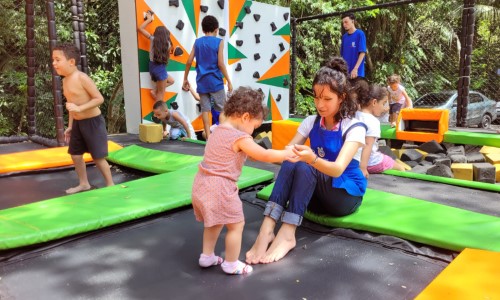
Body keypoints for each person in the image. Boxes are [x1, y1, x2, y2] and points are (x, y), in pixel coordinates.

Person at [246, 57, 367, 264]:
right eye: (317, 98)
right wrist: (247, 147)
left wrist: (312, 158)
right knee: (293, 159)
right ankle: (266, 229)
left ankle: (287, 233)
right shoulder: (311, 122)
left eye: (327, 99)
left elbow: (338, 170)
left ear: (341, 97)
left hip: (343, 196)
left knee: (304, 163)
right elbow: (286, 154)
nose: (320, 104)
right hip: (315, 198)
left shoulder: (353, 127)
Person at [191, 87, 295, 275]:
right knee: (236, 225)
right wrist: (287, 153)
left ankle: (207, 256)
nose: (253, 131)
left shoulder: (218, 129)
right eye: (255, 127)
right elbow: (264, 154)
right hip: (220, 187)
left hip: (202, 182)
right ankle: (231, 263)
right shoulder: (240, 137)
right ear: (245, 117)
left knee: (214, 222)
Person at [52, 43, 114, 194]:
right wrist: (71, 125)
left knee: (98, 157)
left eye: (57, 59)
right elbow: (72, 106)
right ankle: (84, 183)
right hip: (78, 123)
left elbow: (99, 99)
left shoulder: (82, 78)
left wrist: (80, 108)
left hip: (93, 122)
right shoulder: (65, 80)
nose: (54, 63)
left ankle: (111, 184)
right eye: (53, 60)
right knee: (75, 155)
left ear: (71, 62)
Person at [183, 15, 232, 140]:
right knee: (222, 109)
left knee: (205, 109)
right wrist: (229, 81)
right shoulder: (219, 42)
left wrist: (185, 78)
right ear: (216, 29)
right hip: (215, 82)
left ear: (203, 29)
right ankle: (224, 135)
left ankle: (209, 137)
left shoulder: (197, 42)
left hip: (202, 82)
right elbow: (220, 63)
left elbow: (189, 61)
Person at [355, 83, 406, 177]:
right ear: (374, 102)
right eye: (383, 103)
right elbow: (367, 145)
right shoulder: (372, 121)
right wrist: (362, 168)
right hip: (371, 162)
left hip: (353, 160)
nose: (384, 108)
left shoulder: (354, 115)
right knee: (400, 168)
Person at [138, 10, 174, 102]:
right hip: (160, 68)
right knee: (161, 96)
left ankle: (155, 90)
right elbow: (167, 58)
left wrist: (149, 19)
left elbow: (140, 28)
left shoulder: (153, 39)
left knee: (171, 81)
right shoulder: (169, 45)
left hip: (152, 67)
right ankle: (159, 114)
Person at [340, 13, 367, 79]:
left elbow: (362, 52)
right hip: (346, 73)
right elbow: (342, 56)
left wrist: (355, 69)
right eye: (343, 23)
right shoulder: (344, 37)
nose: (344, 25)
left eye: (346, 22)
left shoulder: (360, 34)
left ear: (352, 21)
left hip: (357, 73)